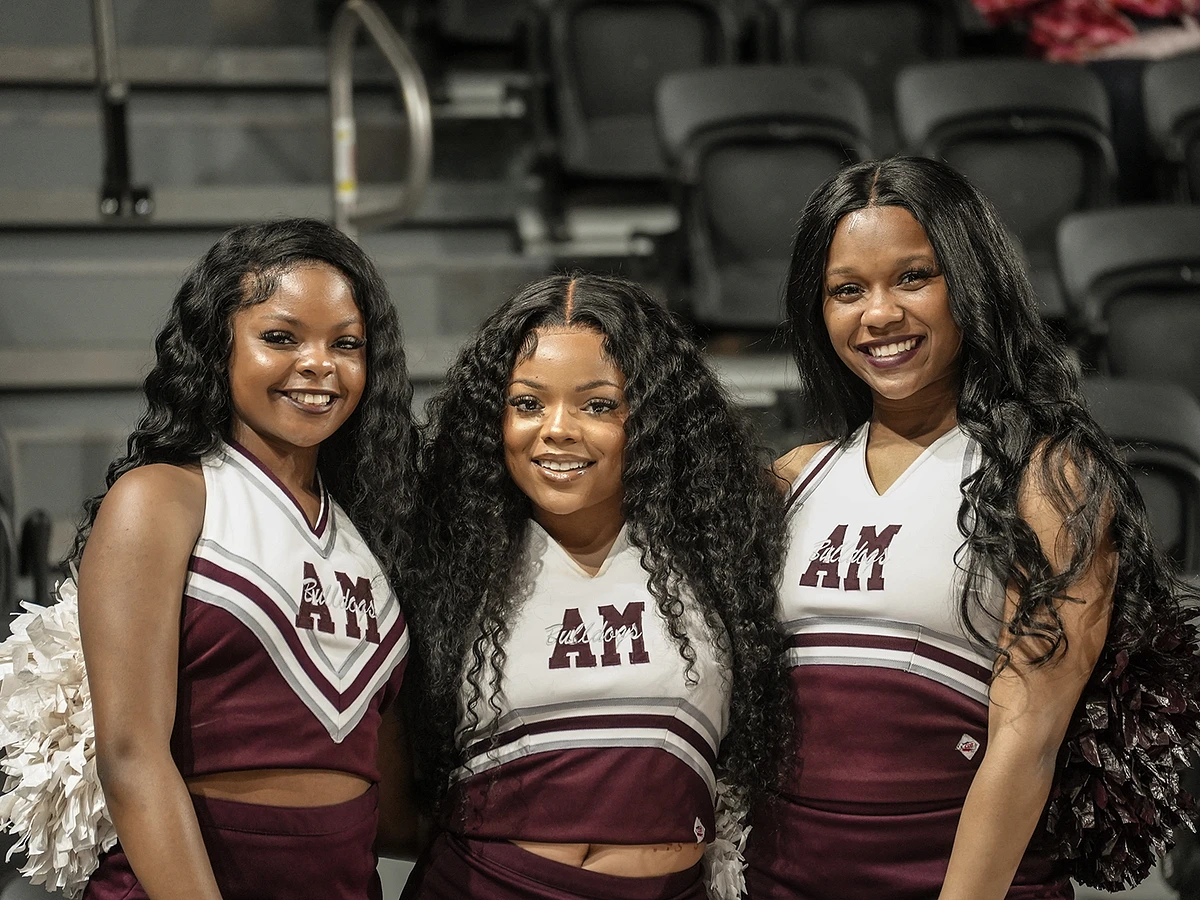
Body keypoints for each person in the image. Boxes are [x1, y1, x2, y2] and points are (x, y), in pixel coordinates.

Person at [744, 156, 1200, 899]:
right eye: (847, 290)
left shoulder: (1049, 479)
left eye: (913, 278)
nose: (879, 314)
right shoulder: (794, 478)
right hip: (783, 881)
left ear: (971, 283)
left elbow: (1029, 741)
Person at [400, 273, 791, 900]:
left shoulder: (723, 550)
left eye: (598, 405)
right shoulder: (448, 564)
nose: (557, 428)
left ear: (653, 418)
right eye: (528, 404)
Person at [74, 218, 417, 899]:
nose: (319, 364)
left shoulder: (375, 531)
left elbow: (389, 803)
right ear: (219, 346)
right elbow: (131, 757)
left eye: (346, 343)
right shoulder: (161, 499)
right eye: (281, 338)